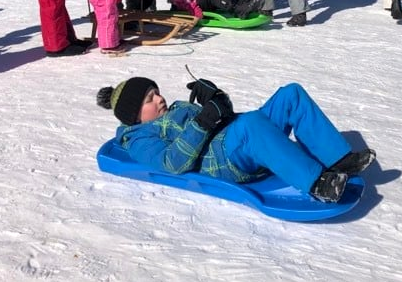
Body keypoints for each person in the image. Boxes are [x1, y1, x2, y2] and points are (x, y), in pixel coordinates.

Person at [96, 76, 377, 203]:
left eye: (156, 92)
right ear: (134, 116)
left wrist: (217, 99)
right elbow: (172, 162)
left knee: (290, 94)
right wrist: (205, 121)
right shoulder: (139, 138)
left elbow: (222, 117)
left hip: (230, 141)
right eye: (150, 99)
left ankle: (337, 158)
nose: (160, 98)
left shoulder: (177, 108)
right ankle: (319, 184)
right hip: (219, 162)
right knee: (252, 125)